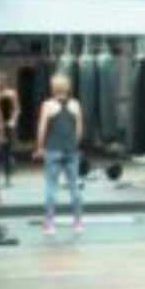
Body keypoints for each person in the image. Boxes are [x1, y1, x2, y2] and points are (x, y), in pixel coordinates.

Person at [33, 74, 84, 235]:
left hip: (53, 150)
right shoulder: (76, 105)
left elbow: (42, 129)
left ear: (53, 87)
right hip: (71, 150)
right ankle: (78, 223)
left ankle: (50, 224)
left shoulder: (47, 105)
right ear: (68, 87)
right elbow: (79, 130)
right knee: (74, 187)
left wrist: (40, 147)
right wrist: (73, 144)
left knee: (51, 187)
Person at [0, 71, 20, 186]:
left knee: (7, 151)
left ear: (6, 82)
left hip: (6, 124)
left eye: (2, 81)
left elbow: (17, 109)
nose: (0, 84)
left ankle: (7, 177)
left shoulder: (11, 93)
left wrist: (13, 120)